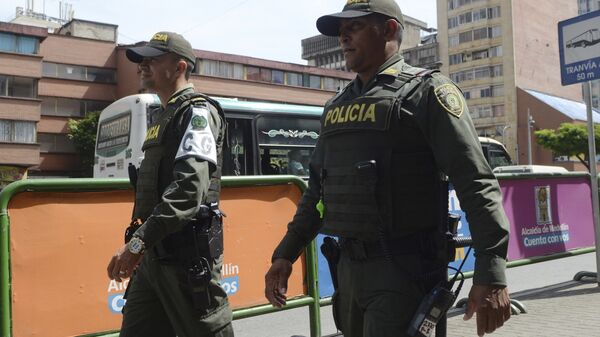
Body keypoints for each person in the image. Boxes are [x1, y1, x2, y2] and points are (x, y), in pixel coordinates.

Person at [264, 1, 511, 337]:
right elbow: (317, 192)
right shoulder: (337, 106)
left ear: (389, 29)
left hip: (404, 271)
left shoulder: (428, 92)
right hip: (349, 273)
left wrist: (492, 273)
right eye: (341, 31)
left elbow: (476, 183)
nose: (343, 37)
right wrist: (286, 253)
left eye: (354, 27)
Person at [106, 31, 233, 337]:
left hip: (186, 259)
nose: (142, 66)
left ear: (179, 67)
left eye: (153, 59)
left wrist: (137, 244)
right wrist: (141, 243)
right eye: (141, 60)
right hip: (153, 258)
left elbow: (188, 192)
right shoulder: (164, 116)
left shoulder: (196, 113)